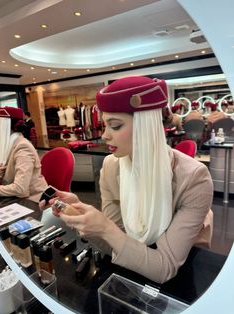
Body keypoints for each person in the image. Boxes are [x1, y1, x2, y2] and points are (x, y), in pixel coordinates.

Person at [46, 76, 213, 283]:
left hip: (181, 273)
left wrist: (106, 228)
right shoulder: (110, 166)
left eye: (115, 126)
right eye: (105, 125)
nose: (105, 135)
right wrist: (81, 216)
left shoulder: (194, 179)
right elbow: (111, 245)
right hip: (131, 271)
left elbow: (165, 267)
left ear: (146, 126)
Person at [0, 106, 48, 202]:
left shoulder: (23, 147)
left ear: (5, 126)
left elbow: (20, 189)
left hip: (33, 201)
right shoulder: (9, 145)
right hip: (15, 198)